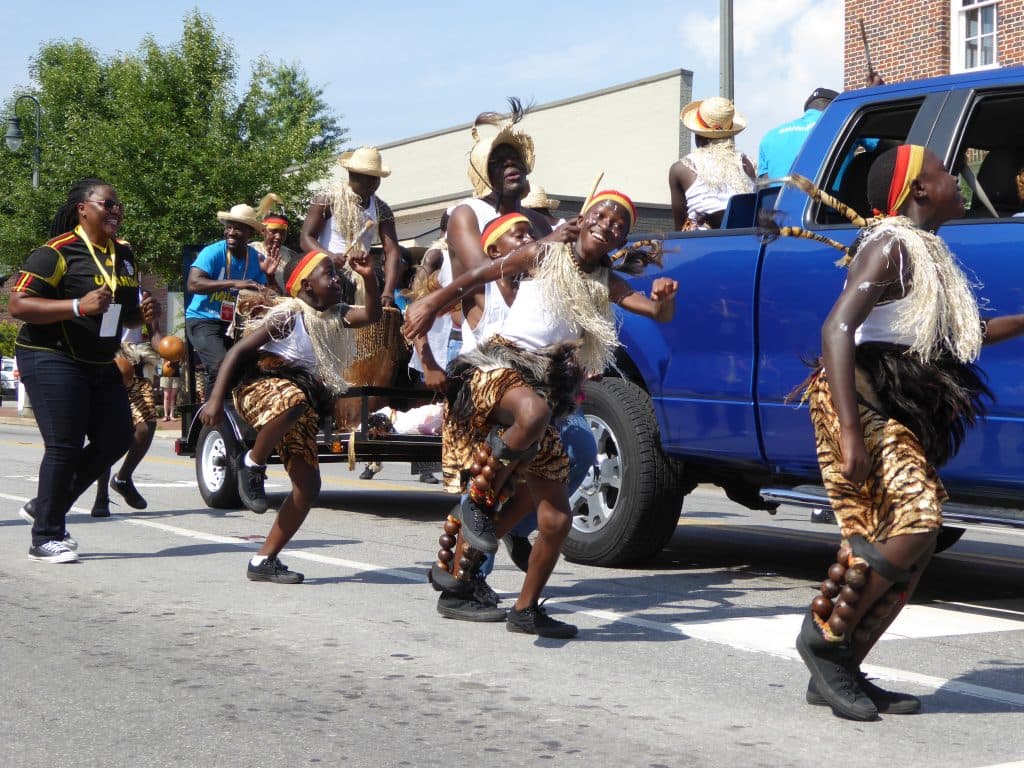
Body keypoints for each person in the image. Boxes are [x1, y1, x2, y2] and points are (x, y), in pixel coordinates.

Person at [783, 145, 1024, 720]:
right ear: (918, 189)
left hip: (890, 400)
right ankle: (821, 644)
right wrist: (849, 432)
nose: (959, 180)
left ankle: (841, 663)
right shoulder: (891, 245)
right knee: (917, 522)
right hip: (860, 399)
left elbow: (962, 337)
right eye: (946, 173)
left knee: (908, 542)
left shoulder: (927, 251)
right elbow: (837, 327)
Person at [406, 190, 679, 638]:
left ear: (619, 240)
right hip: (500, 369)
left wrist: (665, 300)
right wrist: (430, 304)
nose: (608, 222)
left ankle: (518, 605)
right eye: (602, 213)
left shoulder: (606, 281)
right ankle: (476, 504)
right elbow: (477, 274)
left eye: (619, 223)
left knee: (555, 518)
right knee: (530, 415)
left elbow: (655, 313)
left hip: (544, 393)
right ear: (584, 217)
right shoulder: (543, 253)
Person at [199, 249, 381, 582]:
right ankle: (252, 464)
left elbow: (371, 314)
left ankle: (263, 561)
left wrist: (369, 277)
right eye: (328, 274)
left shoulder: (336, 315)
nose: (337, 278)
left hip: (297, 404)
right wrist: (214, 400)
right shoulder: (289, 315)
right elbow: (238, 351)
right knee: (294, 400)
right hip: (261, 388)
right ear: (307, 287)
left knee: (308, 487)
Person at [10, 177, 157, 563]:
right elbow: (18, 305)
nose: (116, 210)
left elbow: (119, 312)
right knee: (65, 444)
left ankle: (46, 504)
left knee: (117, 436)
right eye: (108, 204)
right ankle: (46, 536)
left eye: (118, 204)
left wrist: (140, 314)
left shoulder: (123, 254)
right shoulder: (56, 252)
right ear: (83, 209)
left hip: (97, 359)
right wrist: (77, 306)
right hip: (50, 354)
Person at [185, 203, 280, 393]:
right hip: (203, 319)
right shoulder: (213, 252)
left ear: (249, 234)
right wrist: (234, 283)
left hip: (236, 324)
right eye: (228, 227)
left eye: (238, 228)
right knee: (221, 366)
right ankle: (211, 419)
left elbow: (271, 297)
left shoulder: (256, 258)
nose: (231, 232)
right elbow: (193, 284)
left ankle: (236, 415)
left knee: (253, 369)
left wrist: (269, 276)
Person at [300, 146, 402, 308]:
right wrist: (330, 256)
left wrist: (388, 291)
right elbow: (306, 238)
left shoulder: (381, 209)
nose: (373, 183)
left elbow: (393, 252)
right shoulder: (327, 199)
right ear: (352, 175)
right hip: (328, 277)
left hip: (363, 277)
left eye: (376, 178)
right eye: (367, 177)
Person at [669, 96, 756, 230]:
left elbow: (680, 228)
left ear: (698, 134)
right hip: (746, 241)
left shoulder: (681, 169)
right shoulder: (749, 164)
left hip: (702, 243)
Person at [757, 87, 839, 182]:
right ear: (835, 108)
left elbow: (764, 185)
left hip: (780, 197)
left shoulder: (769, 137)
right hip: (821, 196)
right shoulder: (838, 126)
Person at [252, 193, 299, 286]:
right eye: (273, 231)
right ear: (263, 231)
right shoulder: (251, 250)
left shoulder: (291, 256)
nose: (278, 236)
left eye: (282, 232)